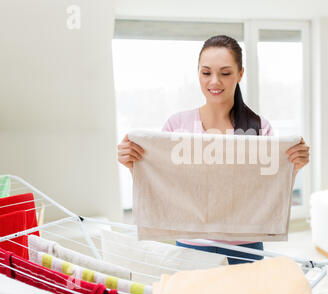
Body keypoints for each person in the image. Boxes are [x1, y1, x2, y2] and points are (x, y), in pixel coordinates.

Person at [117, 35, 310, 264]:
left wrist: (293, 167)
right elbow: (165, 187)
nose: (214, 81)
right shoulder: (176, 127)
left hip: (247, 247)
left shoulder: (259, 128)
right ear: (198, 73)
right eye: (206, 72)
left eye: (225, 73)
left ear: (240, 74)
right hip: (191, 247)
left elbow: (267, 191)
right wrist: (135, 165)